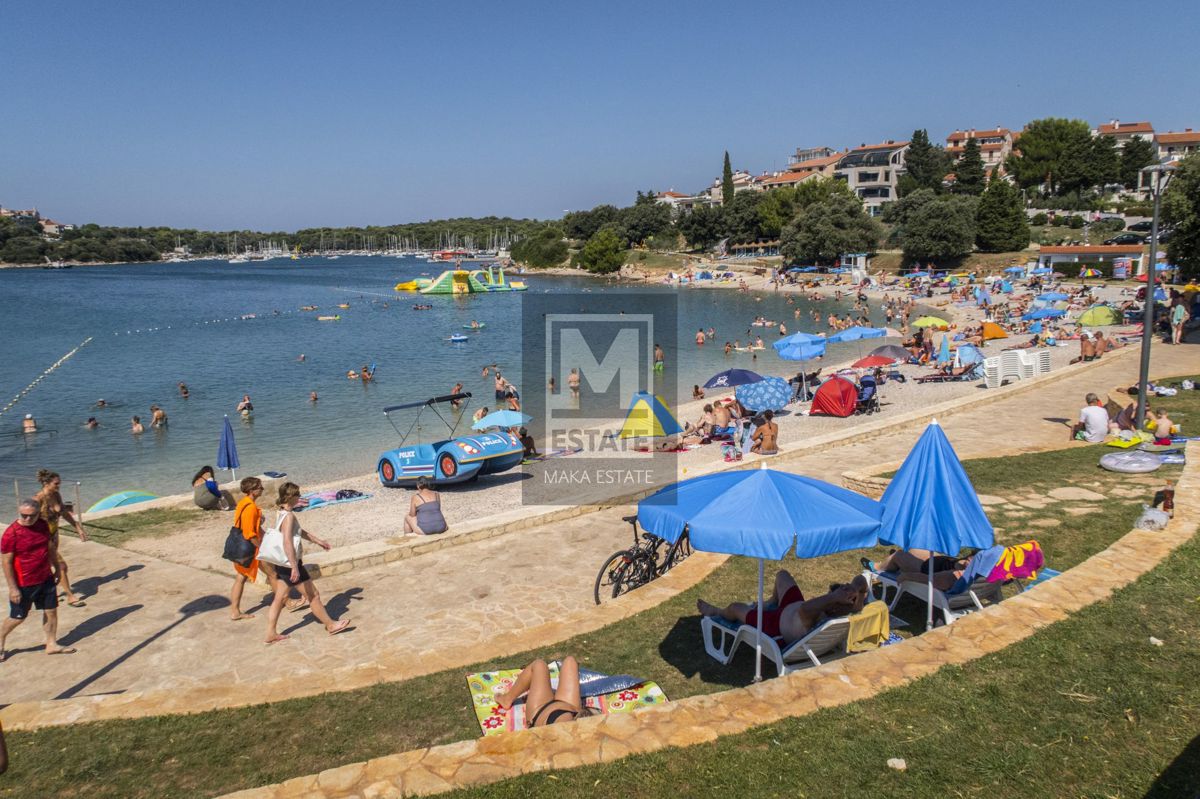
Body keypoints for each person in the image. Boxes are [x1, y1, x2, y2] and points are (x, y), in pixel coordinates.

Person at [261, 482, 349, 644]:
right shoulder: (289, 516)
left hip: (282, 563)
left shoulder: (281, 512)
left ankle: (270, 633)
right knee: (313, 595)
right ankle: (330, 625)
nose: (300, 497)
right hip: (291, 563)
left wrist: (318, 541)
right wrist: (295, 566)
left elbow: (299, 532)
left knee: (279, 598)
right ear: (291, 497)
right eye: (298, 494)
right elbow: (287, 541)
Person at [0, 498, 77, 661]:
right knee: (17, 617)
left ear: (38, 514)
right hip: (23, 582)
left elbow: (49, 546)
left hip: (45, 578)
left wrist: (56, 566)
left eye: (32, 516)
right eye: (24, 515)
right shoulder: (11, 533)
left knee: (51, 611)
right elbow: (6, 562)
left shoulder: (42, 525)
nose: (27, 519)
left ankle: (51, 644)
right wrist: (13, 588)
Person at [697, 571, 868, 644]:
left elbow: (807, 607)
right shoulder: (851, 607)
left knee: (735, 608)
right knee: (782, 575)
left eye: (835, 593)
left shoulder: (811, 615)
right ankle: (772, 601)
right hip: (790, 606)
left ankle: (716, 611)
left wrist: (833, 596)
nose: (841, 589)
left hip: (774, 624)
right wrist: (855, 588)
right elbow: (861, 580)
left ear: (832, 605)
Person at [494, 655, 597, 727]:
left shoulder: (563, 732)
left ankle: (507, 699)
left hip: (540, 710)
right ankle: (555, 692)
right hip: (570, 707)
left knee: (539, 665)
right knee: (570, 661)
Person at [35, 470, 87, 606]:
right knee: (61, 566)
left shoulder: (56, 495)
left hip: (54, 536)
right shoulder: (38, 499)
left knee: (50, 567)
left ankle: (48, 592)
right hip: (42, 539)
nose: (59, 486)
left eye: (59, 483)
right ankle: (71, 597)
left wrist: (77, 527)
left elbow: (63, 513)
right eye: (56, 483)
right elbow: (27, 519)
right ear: (46, 483)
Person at [230, 477, 265, 621]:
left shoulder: (243, 503)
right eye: (260, 487)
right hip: (248, 548)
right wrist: (262, 548)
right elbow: (249, 534)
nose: (262, 489)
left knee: (240, 578)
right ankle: (286, 601)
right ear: (252, 491)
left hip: (239, 546)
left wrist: (259, 521)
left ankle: (235, 611)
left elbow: (243, 523)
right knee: (273, 574)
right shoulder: (250, 507)